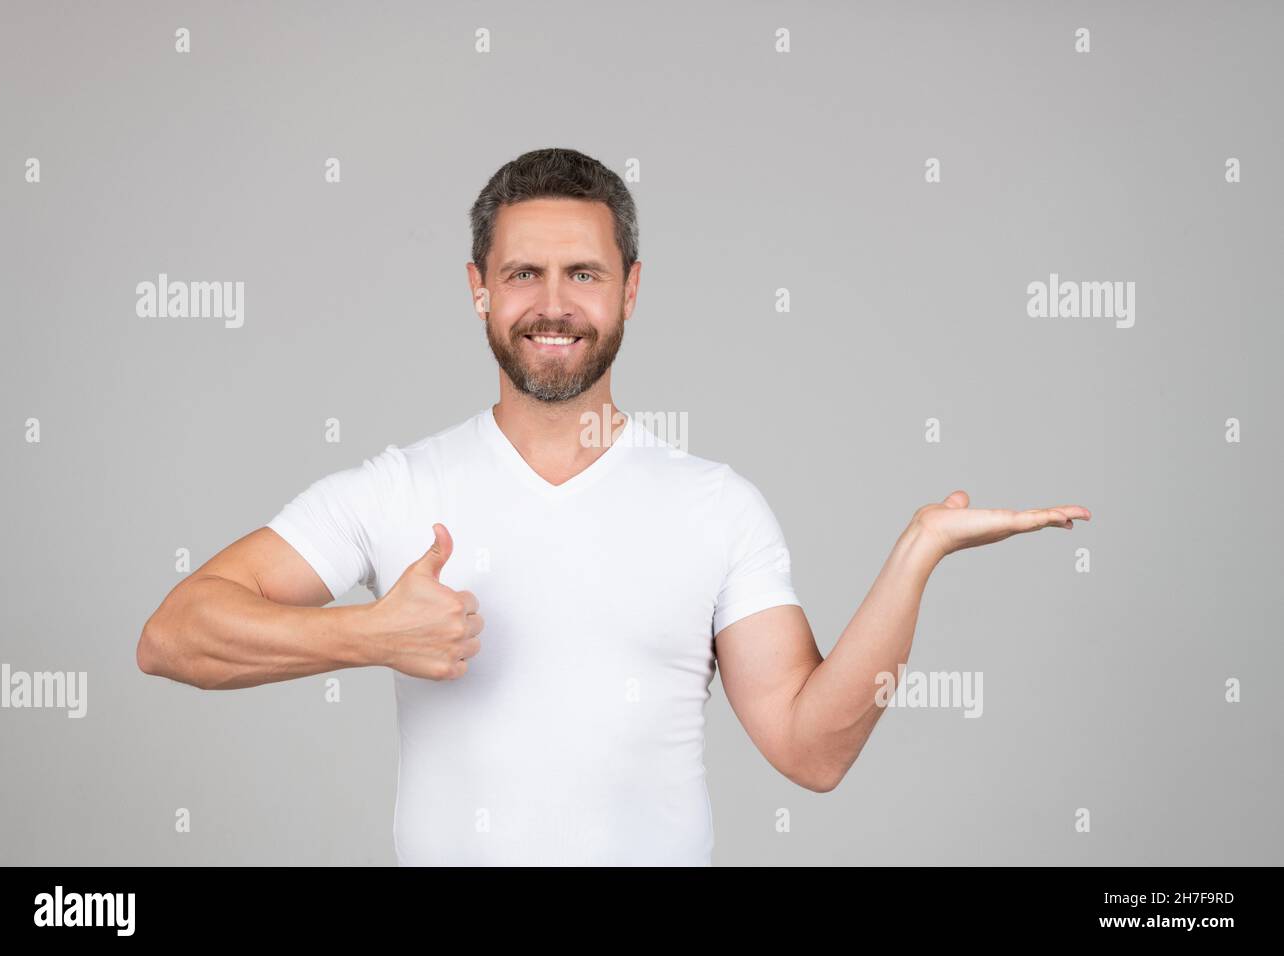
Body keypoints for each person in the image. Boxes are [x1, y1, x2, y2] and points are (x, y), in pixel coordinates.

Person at [137, 146, 1090, 866]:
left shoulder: (717, 508)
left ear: (630, 289)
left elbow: (812, 751)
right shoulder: (397, 489)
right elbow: (173, 637)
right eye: (523, 274)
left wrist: (917, 554)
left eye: (583, 274)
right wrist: (368, 635)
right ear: (478, 290)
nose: (553, 305)